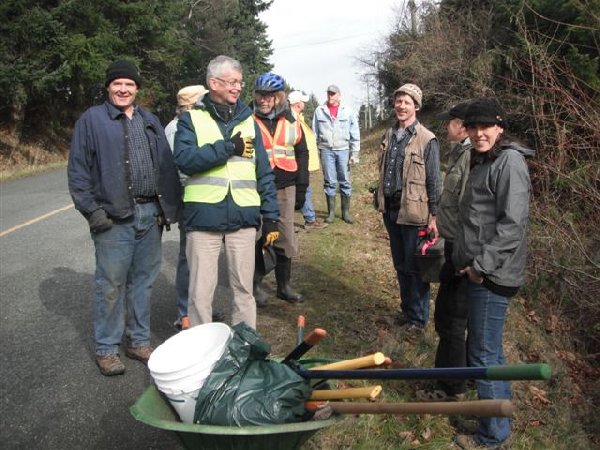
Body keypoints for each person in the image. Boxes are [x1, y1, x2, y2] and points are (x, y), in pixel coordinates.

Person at [68, 60, 182, 376]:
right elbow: (77, 171)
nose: (123, 89)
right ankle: (106, 348)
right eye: (117, 83)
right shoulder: (92, 120)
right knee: (111, 284)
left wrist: (166, 209)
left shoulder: (150, 120)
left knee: (143, 283)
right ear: (108, 87)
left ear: (137, 89)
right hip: (112, 218)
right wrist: (92, 211)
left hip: (150, 214)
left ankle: (138, 342)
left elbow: (166, 166)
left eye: (129, 84)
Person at [174, 55, 279, 330]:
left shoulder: (249, 122)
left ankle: (244, 352)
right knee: (200, 296)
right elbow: (185, 160)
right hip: (203, 219)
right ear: (213, 83)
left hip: (243, 220)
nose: (237, 87)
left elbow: (264, 173)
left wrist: (270, 216)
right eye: (231, 82)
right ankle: (201, 357)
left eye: (239, 82)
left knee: (244, 292)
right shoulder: (191, 120)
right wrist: (227, 148)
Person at [453, 98, 534, 449]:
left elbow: (513, 225)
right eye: (473, 127)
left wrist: (480, 267)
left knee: (484, 355)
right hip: (481, 270)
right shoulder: (484, 159)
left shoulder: (509, 162)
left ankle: (491, 437)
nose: (479, 133)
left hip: (492, 275)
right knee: (492, 353)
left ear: (500, 127)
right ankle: (495, 415)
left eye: (486, 126)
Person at [374, 83, 440, 332]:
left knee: (415, 269)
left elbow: (434, 179)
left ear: (417, 107)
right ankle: (407, 311)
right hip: (391, 209)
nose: (401, 106)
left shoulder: (427, 138)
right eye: (398, 101)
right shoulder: (389, 135)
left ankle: (419, 320)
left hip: (415, 212)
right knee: (401, 265)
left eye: (407, 102)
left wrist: (434, 215)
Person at [252, 73, 309, 305]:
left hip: (286, 187)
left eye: (269, 96)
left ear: (279, 97)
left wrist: (303, 187)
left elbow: (302, 152)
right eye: (260, 95)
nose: (263, 100)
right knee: (256, 237)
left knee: (285, 239)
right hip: (254, 187)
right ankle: (254, 286)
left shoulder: (292, 119)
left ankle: (284, 286)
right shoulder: (247, 117)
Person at [430, 102, 472, 400]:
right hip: (452, 244)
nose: (447, 128)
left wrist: (464, 255)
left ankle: (454, 386)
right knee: (446, 317)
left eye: (450, 123)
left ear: (461, 125)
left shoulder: (470, 158)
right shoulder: (460, 154)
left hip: (463, 250)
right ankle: (448, 377)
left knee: (454, 320)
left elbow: (471, 208)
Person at [165, 85, 208, 330]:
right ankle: (185, 313)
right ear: (191, 105)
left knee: (198, 257)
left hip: (199, 198)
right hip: (188, 200)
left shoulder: (191, 123)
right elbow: (180, 170)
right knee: (189, 258)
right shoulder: (176, 128)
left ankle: (198, 309)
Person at [312, 84, 360, 224]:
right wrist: (314, 152)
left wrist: (355, 153)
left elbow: (355, 133)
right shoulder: (319, 111)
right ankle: (331, 213)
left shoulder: (348, 111)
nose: (330, 96)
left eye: (333, 94)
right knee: (330, 181)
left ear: (339, 95)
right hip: (326, 150)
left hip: (343, 150)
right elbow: (314, 132)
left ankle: (345, 212)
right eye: (328, 94)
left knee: (345, 181)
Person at [288, 90, 327, 230]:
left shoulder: (298, 117)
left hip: (301, 162)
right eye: (303, 101)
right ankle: (307, 219)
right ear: (298, 104)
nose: (304, 103)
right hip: (295, 162)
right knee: (301, 189)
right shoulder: (292, 119)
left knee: (304, 189)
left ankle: (309, 218)